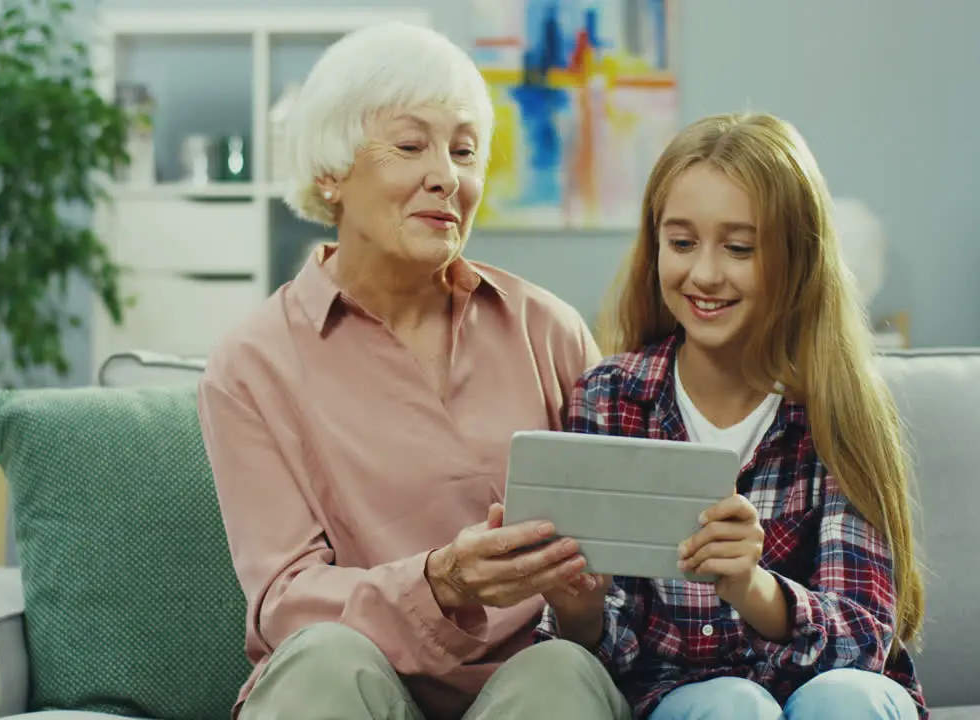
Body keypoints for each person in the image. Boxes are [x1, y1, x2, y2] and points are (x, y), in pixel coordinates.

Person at [196, 22, 630, 720]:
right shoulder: (252, 364)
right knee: (326, 655)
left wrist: (583, 601)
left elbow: (614, 592)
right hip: (348, 686)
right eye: (410, 145)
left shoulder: (549, 331)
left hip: (526, 689)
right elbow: (284, 602)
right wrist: (441, 582)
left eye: (464, 151)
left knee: (560, 671)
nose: (446, 176)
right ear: (330, 174)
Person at [538, 112, 928, 719]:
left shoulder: (838, 407)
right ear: (655, 247)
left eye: (740, 248)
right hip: (688, 701)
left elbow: (866, 637)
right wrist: (580, 611)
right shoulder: (609, 398)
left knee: (849, 699)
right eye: (682, 242)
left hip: (833, 689)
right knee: (730, 707)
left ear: (796, 260)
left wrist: (755, 589)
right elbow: (613, 656)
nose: (705, 274)